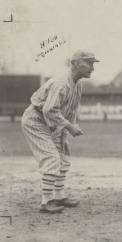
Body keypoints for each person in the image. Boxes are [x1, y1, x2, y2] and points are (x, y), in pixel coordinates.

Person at [21, 50, 99, 213]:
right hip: (35, 120)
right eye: (89, 63)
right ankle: (46, 202)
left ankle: (59, 195)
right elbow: (49, 110)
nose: (92, 67)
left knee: (63, 156)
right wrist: (69, 126)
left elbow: (72, 108)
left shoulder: (78, 83)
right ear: (75, 63)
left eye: (93, 63)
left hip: (54, 122)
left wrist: (68, 129)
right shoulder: (62, 82)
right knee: (51, 157)